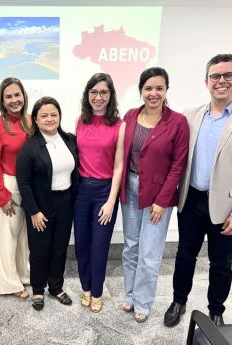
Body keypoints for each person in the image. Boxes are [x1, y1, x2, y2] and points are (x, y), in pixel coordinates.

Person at [164, 54, 232, 327]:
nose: (221, 81)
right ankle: (178, 300)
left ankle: (216, 310)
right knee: (185, 254)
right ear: (206, 81)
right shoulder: (190, 116)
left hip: (227, 208)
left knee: (221, 263)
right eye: (215, 76)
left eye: (228, 75)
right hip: (191, 199)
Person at [120, 67, 189, 323]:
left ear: (166, 90)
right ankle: (129, 294)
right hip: (130, 187)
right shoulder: (130, 116)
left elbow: (178, 165)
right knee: (130, 247)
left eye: (159, 88)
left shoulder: (177, 121)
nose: (153, 93)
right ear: (141, 90)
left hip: (158, 195)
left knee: (149, 253)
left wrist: (161, 201)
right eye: (148, 88)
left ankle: (143, 301)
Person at [16, 97, 79, 311]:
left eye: (53, 114)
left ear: (59, 116)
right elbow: (23, 183)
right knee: (40, 250)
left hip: (65, 202)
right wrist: (33, 211)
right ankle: (37, 290)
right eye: (44, 115)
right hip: (40, 206)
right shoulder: (30, 147)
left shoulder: (70, 140)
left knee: (60, 248)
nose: (49, 119)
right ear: (35, 119)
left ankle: (56, 287)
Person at [74, 73, 125, 313]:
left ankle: (97, 292)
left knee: (100, 245)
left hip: (105, 192)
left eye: (104, 92)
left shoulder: (119, 124)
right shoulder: (79, 121)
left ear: (111, 95)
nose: (98, 97)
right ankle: (85, 288)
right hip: (82, 191)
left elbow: (119, 165)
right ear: (87, 95)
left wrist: (111, 200)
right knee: (82, 244)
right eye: (93, 92)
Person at [0, 77, 31, 298]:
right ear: (2, 101)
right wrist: (1, 195)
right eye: (9, 96)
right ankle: (8, 284)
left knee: (22, 236)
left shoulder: (30, 121)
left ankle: (23, 275)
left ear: (24, 96)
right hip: (7, 184)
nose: (14, 100)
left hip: (27, 185)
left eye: (17, 95)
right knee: (5, 237)